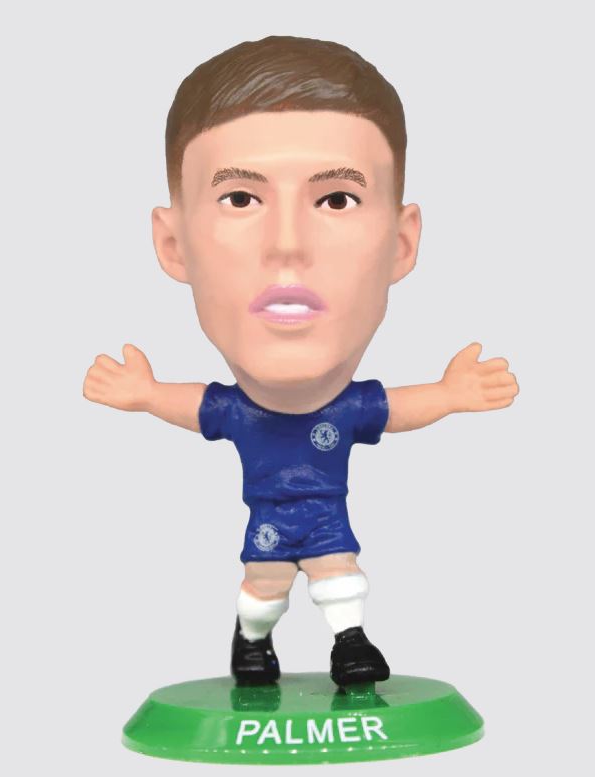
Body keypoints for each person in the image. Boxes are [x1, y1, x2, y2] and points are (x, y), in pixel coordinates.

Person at [83, 36, 519, 687]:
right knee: (263, 588)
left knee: (340, 577)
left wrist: (451, 394)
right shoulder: (235, 412)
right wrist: (146, 394)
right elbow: (193, 404)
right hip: (268, 520)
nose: (287, 245)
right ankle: (252, 641)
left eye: (336, 199)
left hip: (325, 516)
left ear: (400, 245)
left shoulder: (350, 409)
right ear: (174, 246)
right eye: (240, 199)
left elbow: (400, 407)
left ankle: (350, 644)